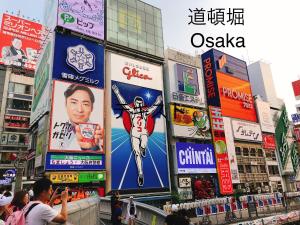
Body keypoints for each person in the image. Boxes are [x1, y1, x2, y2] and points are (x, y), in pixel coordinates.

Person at [112, 84, 162, 186]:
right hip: (134, 133)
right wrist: (117, 93)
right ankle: (140, 173)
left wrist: (158, 101)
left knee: (143, 144)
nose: (139, 105)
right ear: (135, 103)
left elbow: (153, 108)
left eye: (140, 103)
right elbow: (124, 104)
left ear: (142, 104)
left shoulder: (145, 112)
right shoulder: (132, 112)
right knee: (137, 153)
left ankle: (143, 148)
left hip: (143, 132)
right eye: (137, 103)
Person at [52, 84, 104, 152]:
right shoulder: (56, 130)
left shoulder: (100, 133)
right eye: (74, 102)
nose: (79, 110)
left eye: (85, 104)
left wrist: (92, 147)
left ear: (92, 108)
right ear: (65, 104)